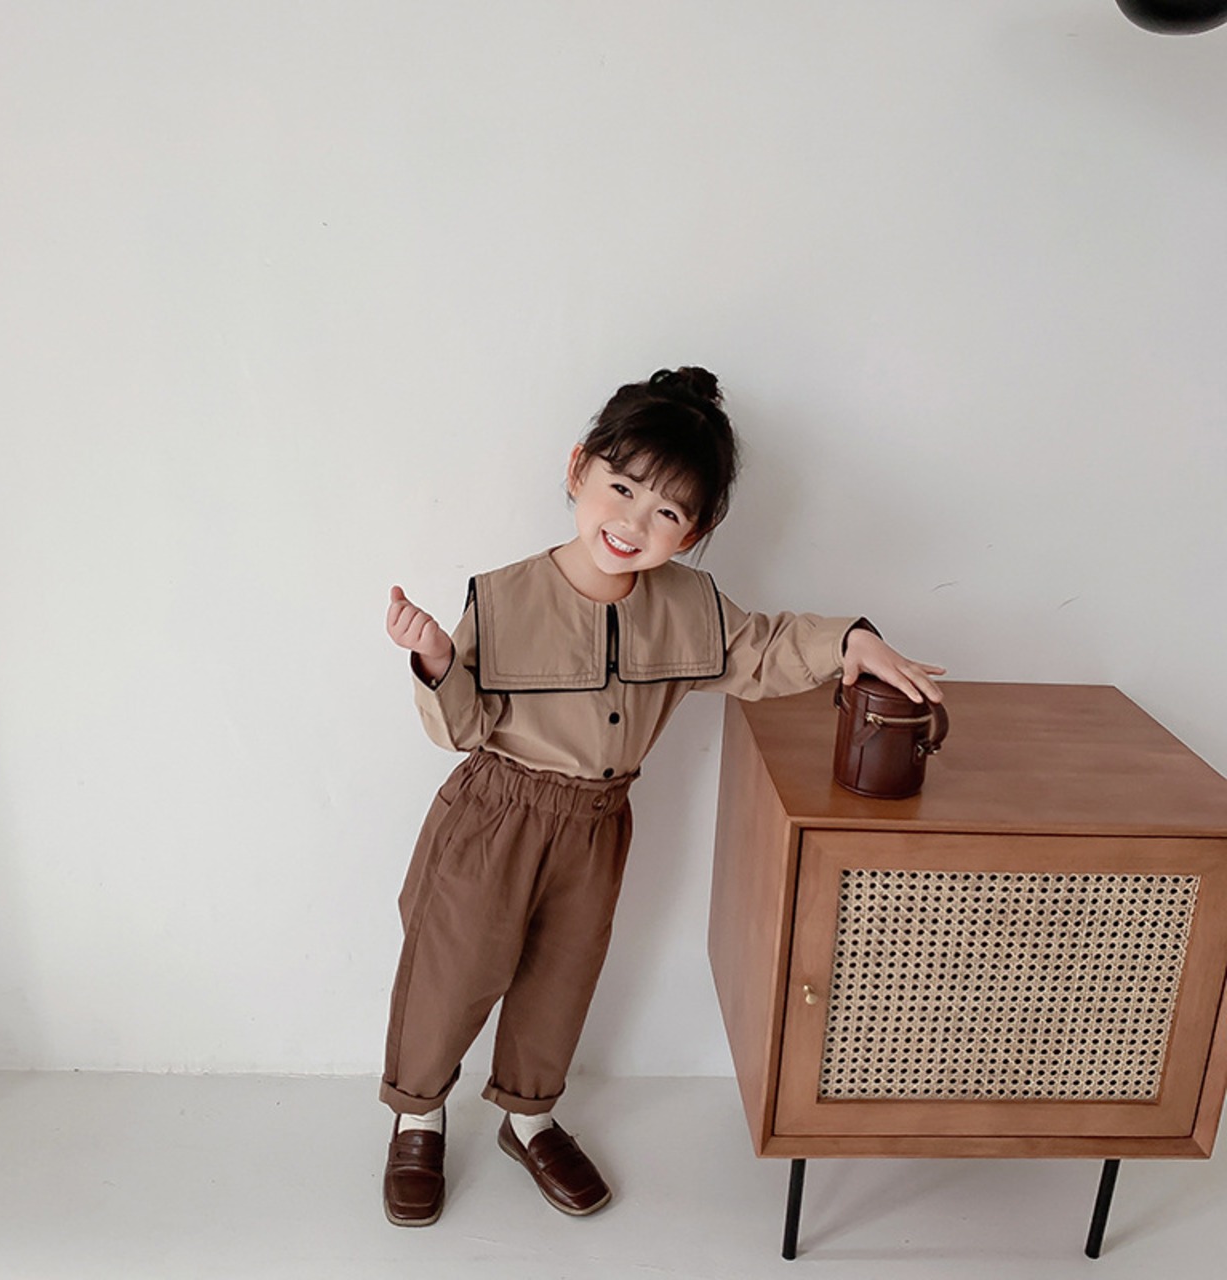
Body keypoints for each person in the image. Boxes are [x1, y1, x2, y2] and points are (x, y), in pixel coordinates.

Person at [381, 367, 944, 1228]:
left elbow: (761, 650)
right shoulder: (503, 597)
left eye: (669, 512)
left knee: (562, 978)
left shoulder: (690, 607)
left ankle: (529, 1118)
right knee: (452, 971)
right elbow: (461, 728)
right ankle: (418, 1116)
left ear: (696, 530)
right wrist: (434, 661)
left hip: (597, 826)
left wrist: (850, 642)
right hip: (497, 816)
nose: (634, 524)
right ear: (579, 469)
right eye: (622, 488)